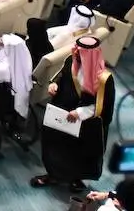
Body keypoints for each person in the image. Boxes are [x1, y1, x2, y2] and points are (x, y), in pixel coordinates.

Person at [31, 35, 115, 192]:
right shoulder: (71, 60)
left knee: (79, 152)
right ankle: (54, 174)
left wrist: (80, 112)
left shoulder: (104, 78)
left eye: (79, 51)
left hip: (84, 121)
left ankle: (76, 178)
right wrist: (54, 86)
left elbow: (103, 105)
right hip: (62, 112)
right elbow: (60, 77)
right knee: (54, 145)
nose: (75, 52)